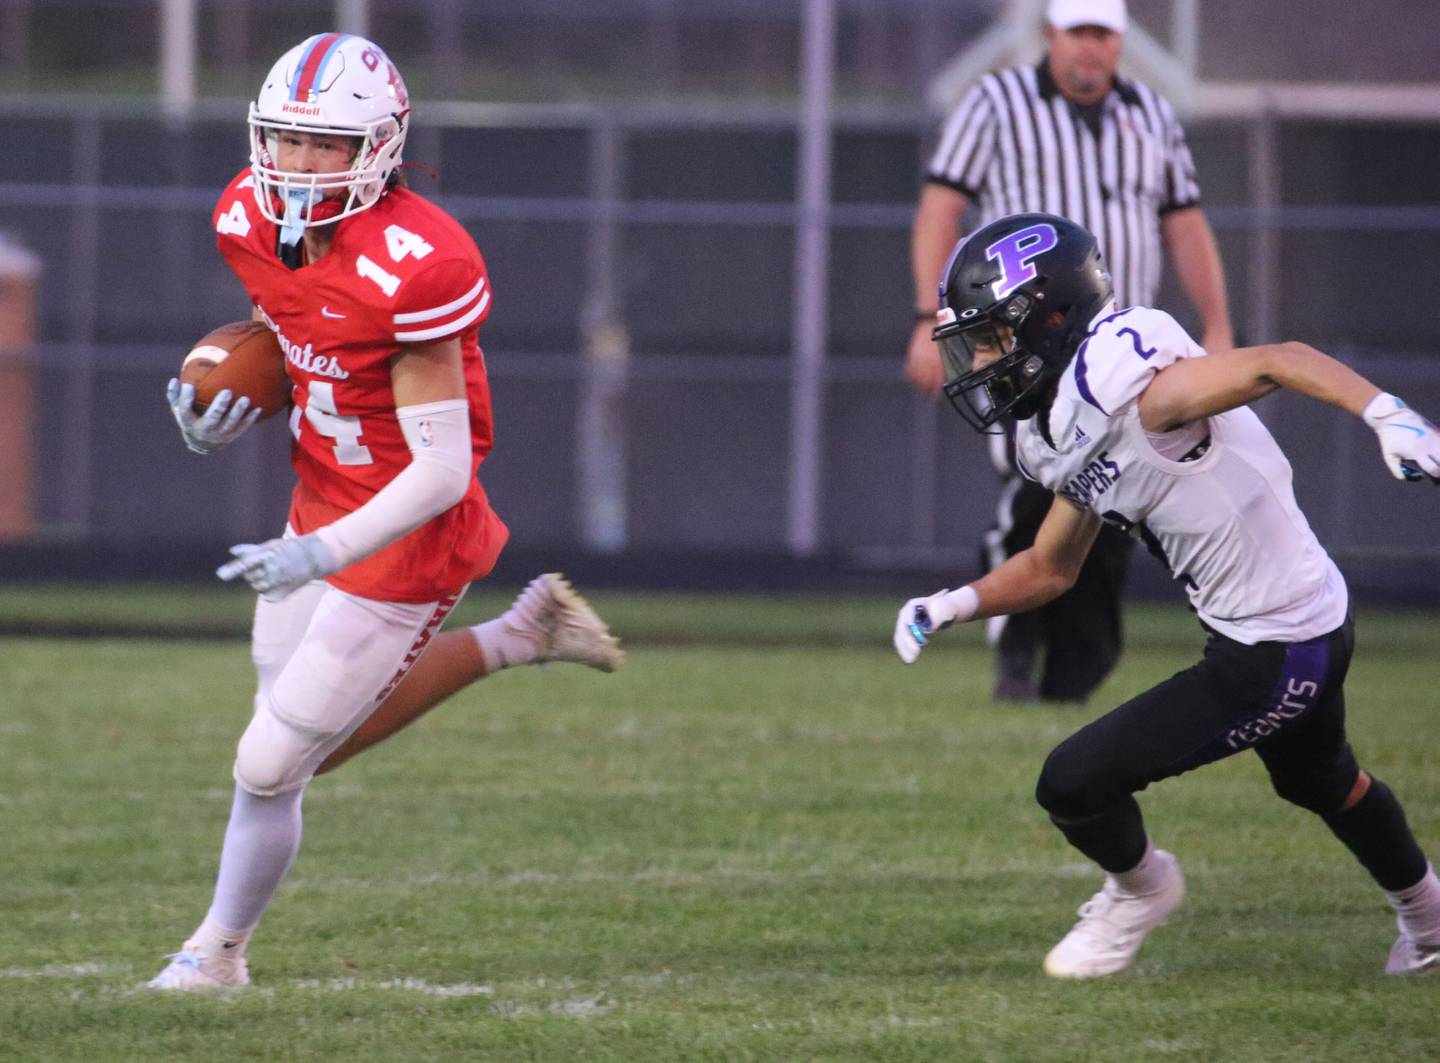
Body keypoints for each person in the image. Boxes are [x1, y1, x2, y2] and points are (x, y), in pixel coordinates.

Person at [148, 33, 623, 991]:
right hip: (321, 492)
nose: (295, 163)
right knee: (292, 746)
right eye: (282, 139)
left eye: (324, 144)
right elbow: (290, 341)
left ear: (380, 147)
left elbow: (444, 469)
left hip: (406, 533)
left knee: (271, 760)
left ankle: (216, 955)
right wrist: (215, 416)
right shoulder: (245, 215)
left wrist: (322, 552)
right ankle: (519, 636)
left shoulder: (419, 261)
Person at [893, 212, 1440, 978]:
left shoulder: (1140, 393)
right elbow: (1052, 565)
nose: (978, 361)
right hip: (1297, 621)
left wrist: (1386, 414)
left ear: (1049, 319)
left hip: (1277, 647)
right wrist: (954, 603)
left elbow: (1279, 360)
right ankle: (1431, 925)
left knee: (1074, 780)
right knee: (1323, 781)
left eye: (990, 339)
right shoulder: (1075, 421)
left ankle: (1142, 889)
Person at [905, 0, 1233, 703]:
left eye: (1104, 35)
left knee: (1115, 513)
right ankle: (1016, 655)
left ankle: (1074, 677)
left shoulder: (1151, 114)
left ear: (1119, 40)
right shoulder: (995, 101)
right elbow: (941, 206)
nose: (1091, 49)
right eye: (1079, 33)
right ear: (1051, 35)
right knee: (1036, 493)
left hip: (1123, 351)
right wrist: (928, 314)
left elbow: (1185, 224)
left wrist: (1218, 323)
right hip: (1028, 346)